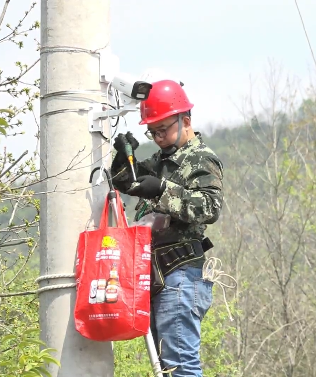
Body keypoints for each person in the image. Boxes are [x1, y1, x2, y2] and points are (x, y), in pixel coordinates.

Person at [110, 79, 224, 377]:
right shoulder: (163, 160)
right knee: (165, 365)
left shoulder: (200, 159)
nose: (158, 137)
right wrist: (124, 157)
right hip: (159, 274)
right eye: (153, 131)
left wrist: (161, 190)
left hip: (181, 271)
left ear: (185, 120)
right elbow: (127, 181)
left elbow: (209, 207)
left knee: (179, 364)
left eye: (163, 130)